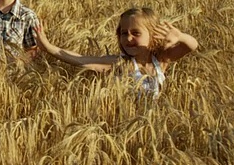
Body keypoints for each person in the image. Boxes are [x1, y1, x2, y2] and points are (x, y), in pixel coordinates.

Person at [34, 7, 199, 98]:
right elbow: (81, 60)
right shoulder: (121, 62)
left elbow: (191, 46)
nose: (128, 38)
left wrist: (180, 36)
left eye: (136, 33)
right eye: (123, 33)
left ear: (154, 34)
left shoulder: (161, 60)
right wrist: (49, 47)